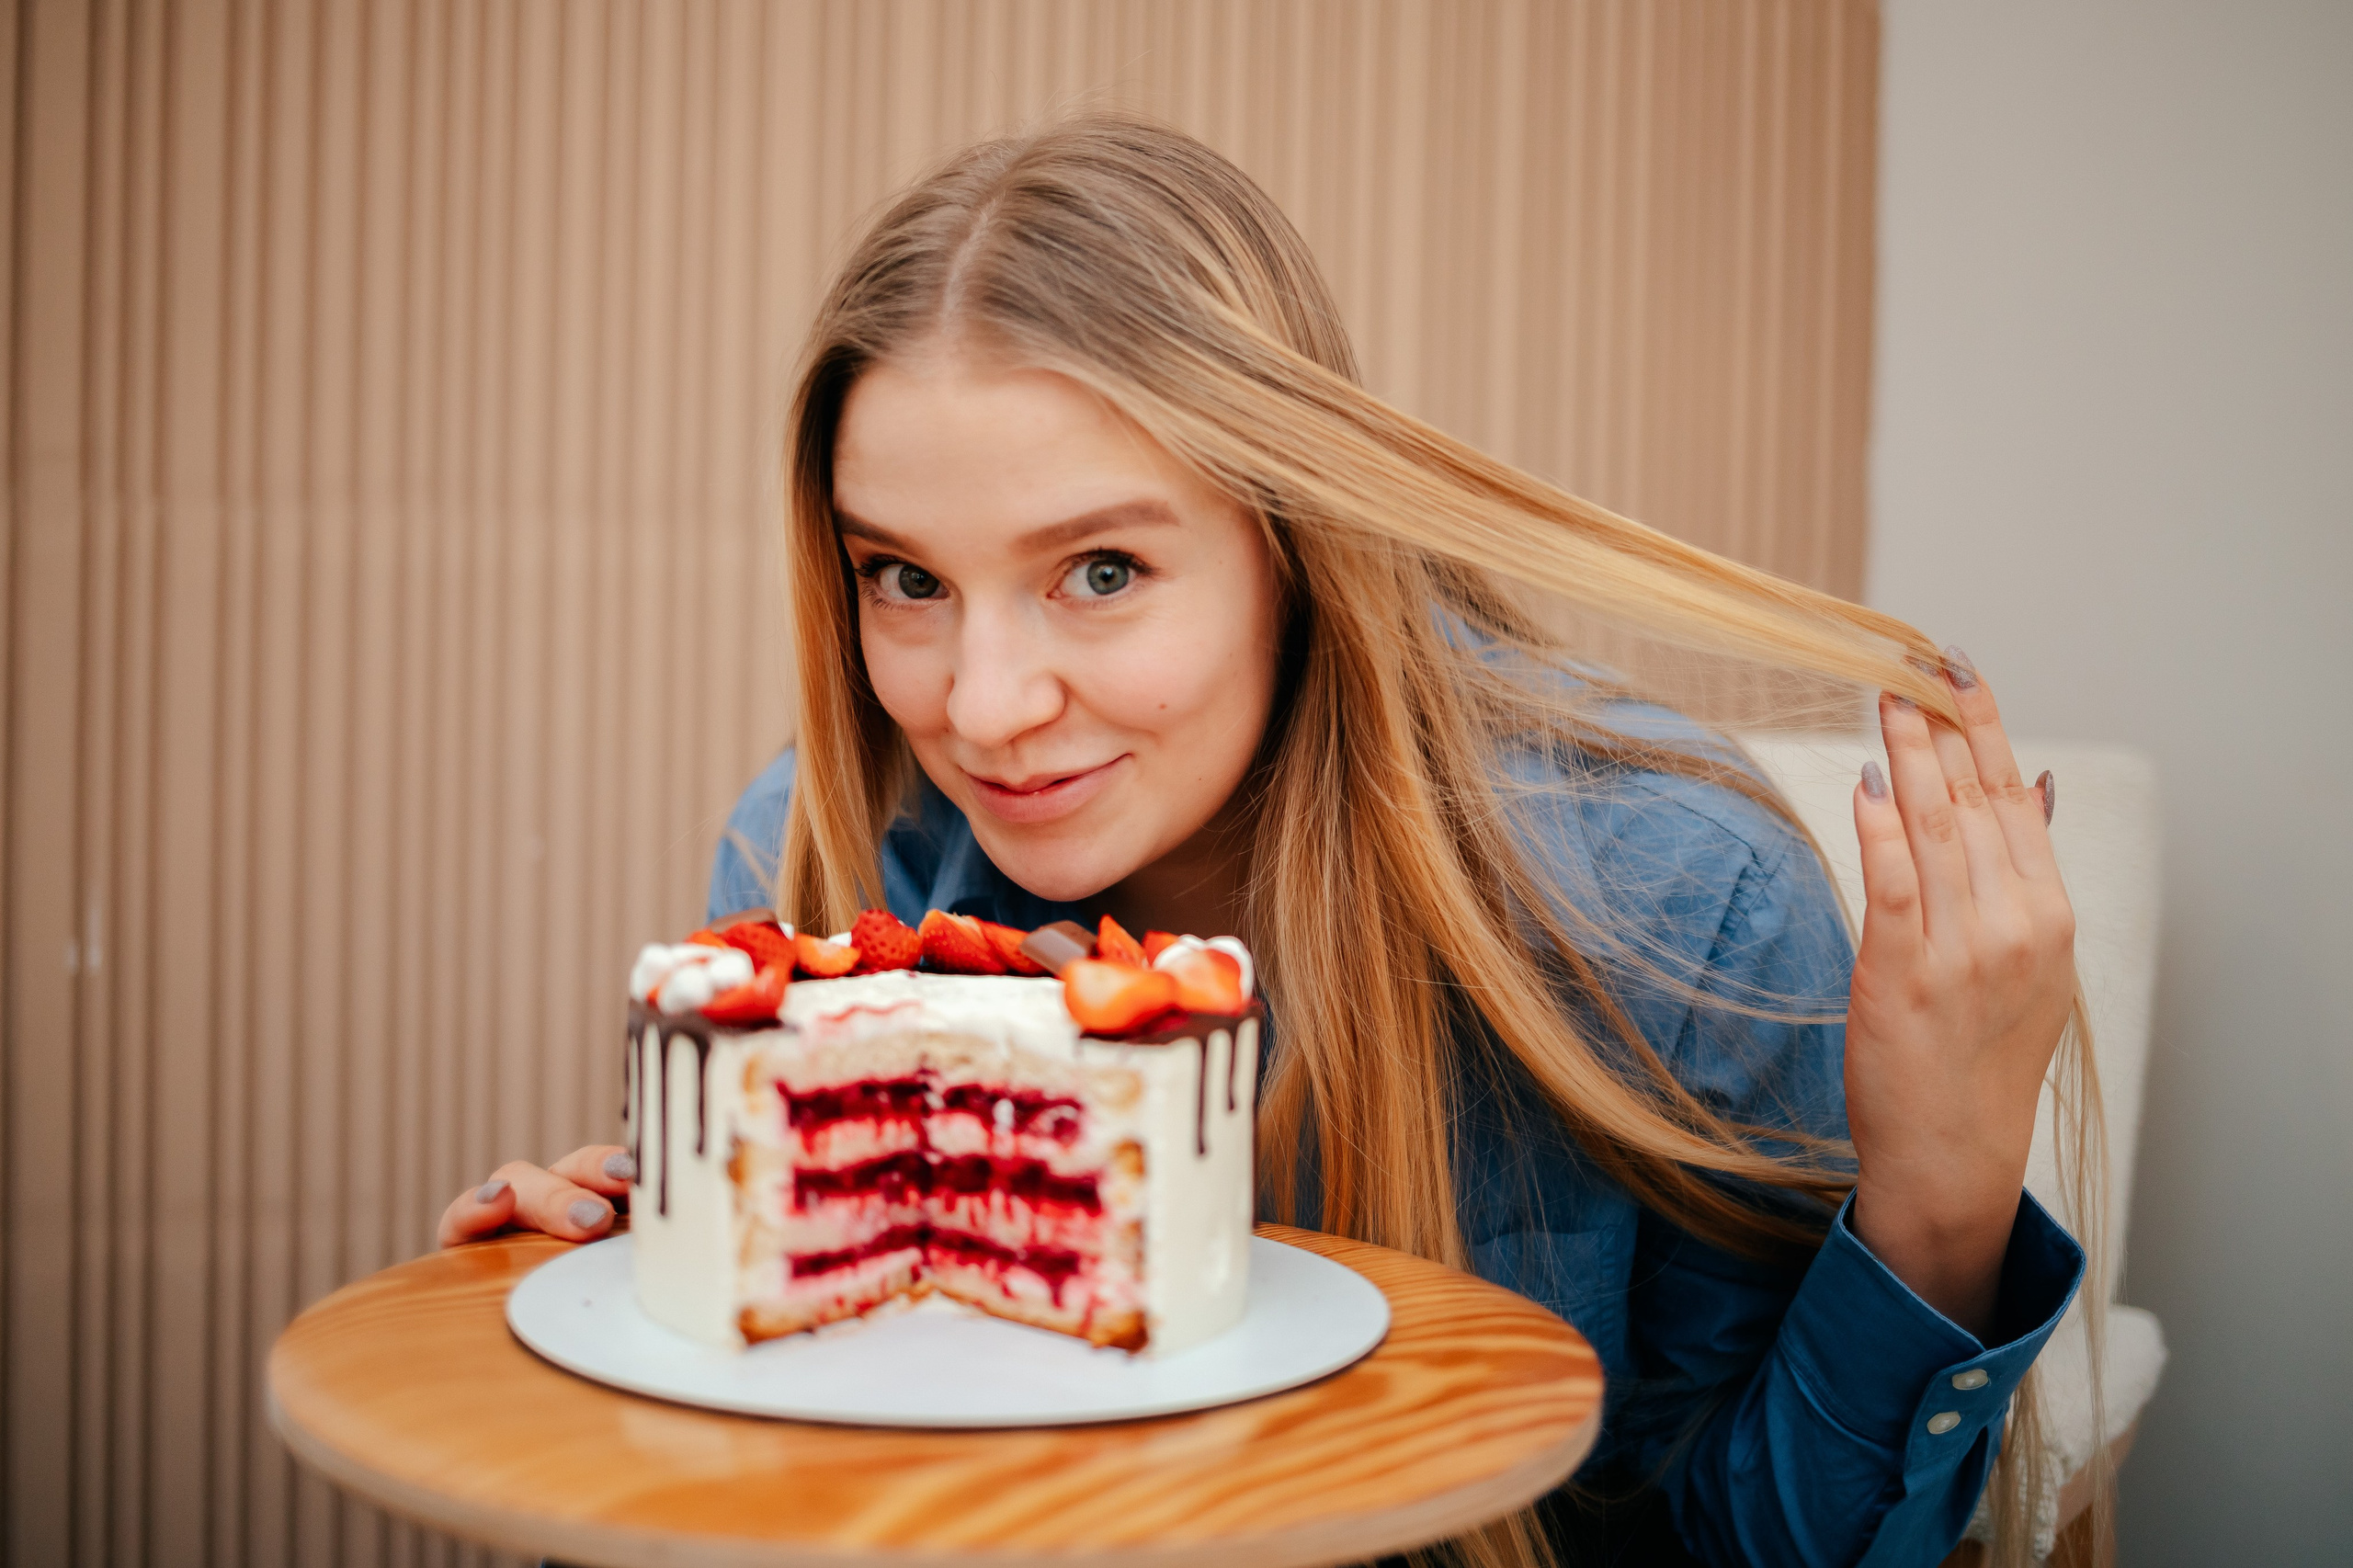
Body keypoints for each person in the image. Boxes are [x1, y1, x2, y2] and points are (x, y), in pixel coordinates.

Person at [438, 116, 2099, 1568]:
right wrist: (663, 1306)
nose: (988, 704)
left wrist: (1942, 1193)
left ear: (1292, 541)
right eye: (907, 578)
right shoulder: (821, 852)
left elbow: (1728, 1545)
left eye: (1100, 569)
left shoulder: (1674, 906)